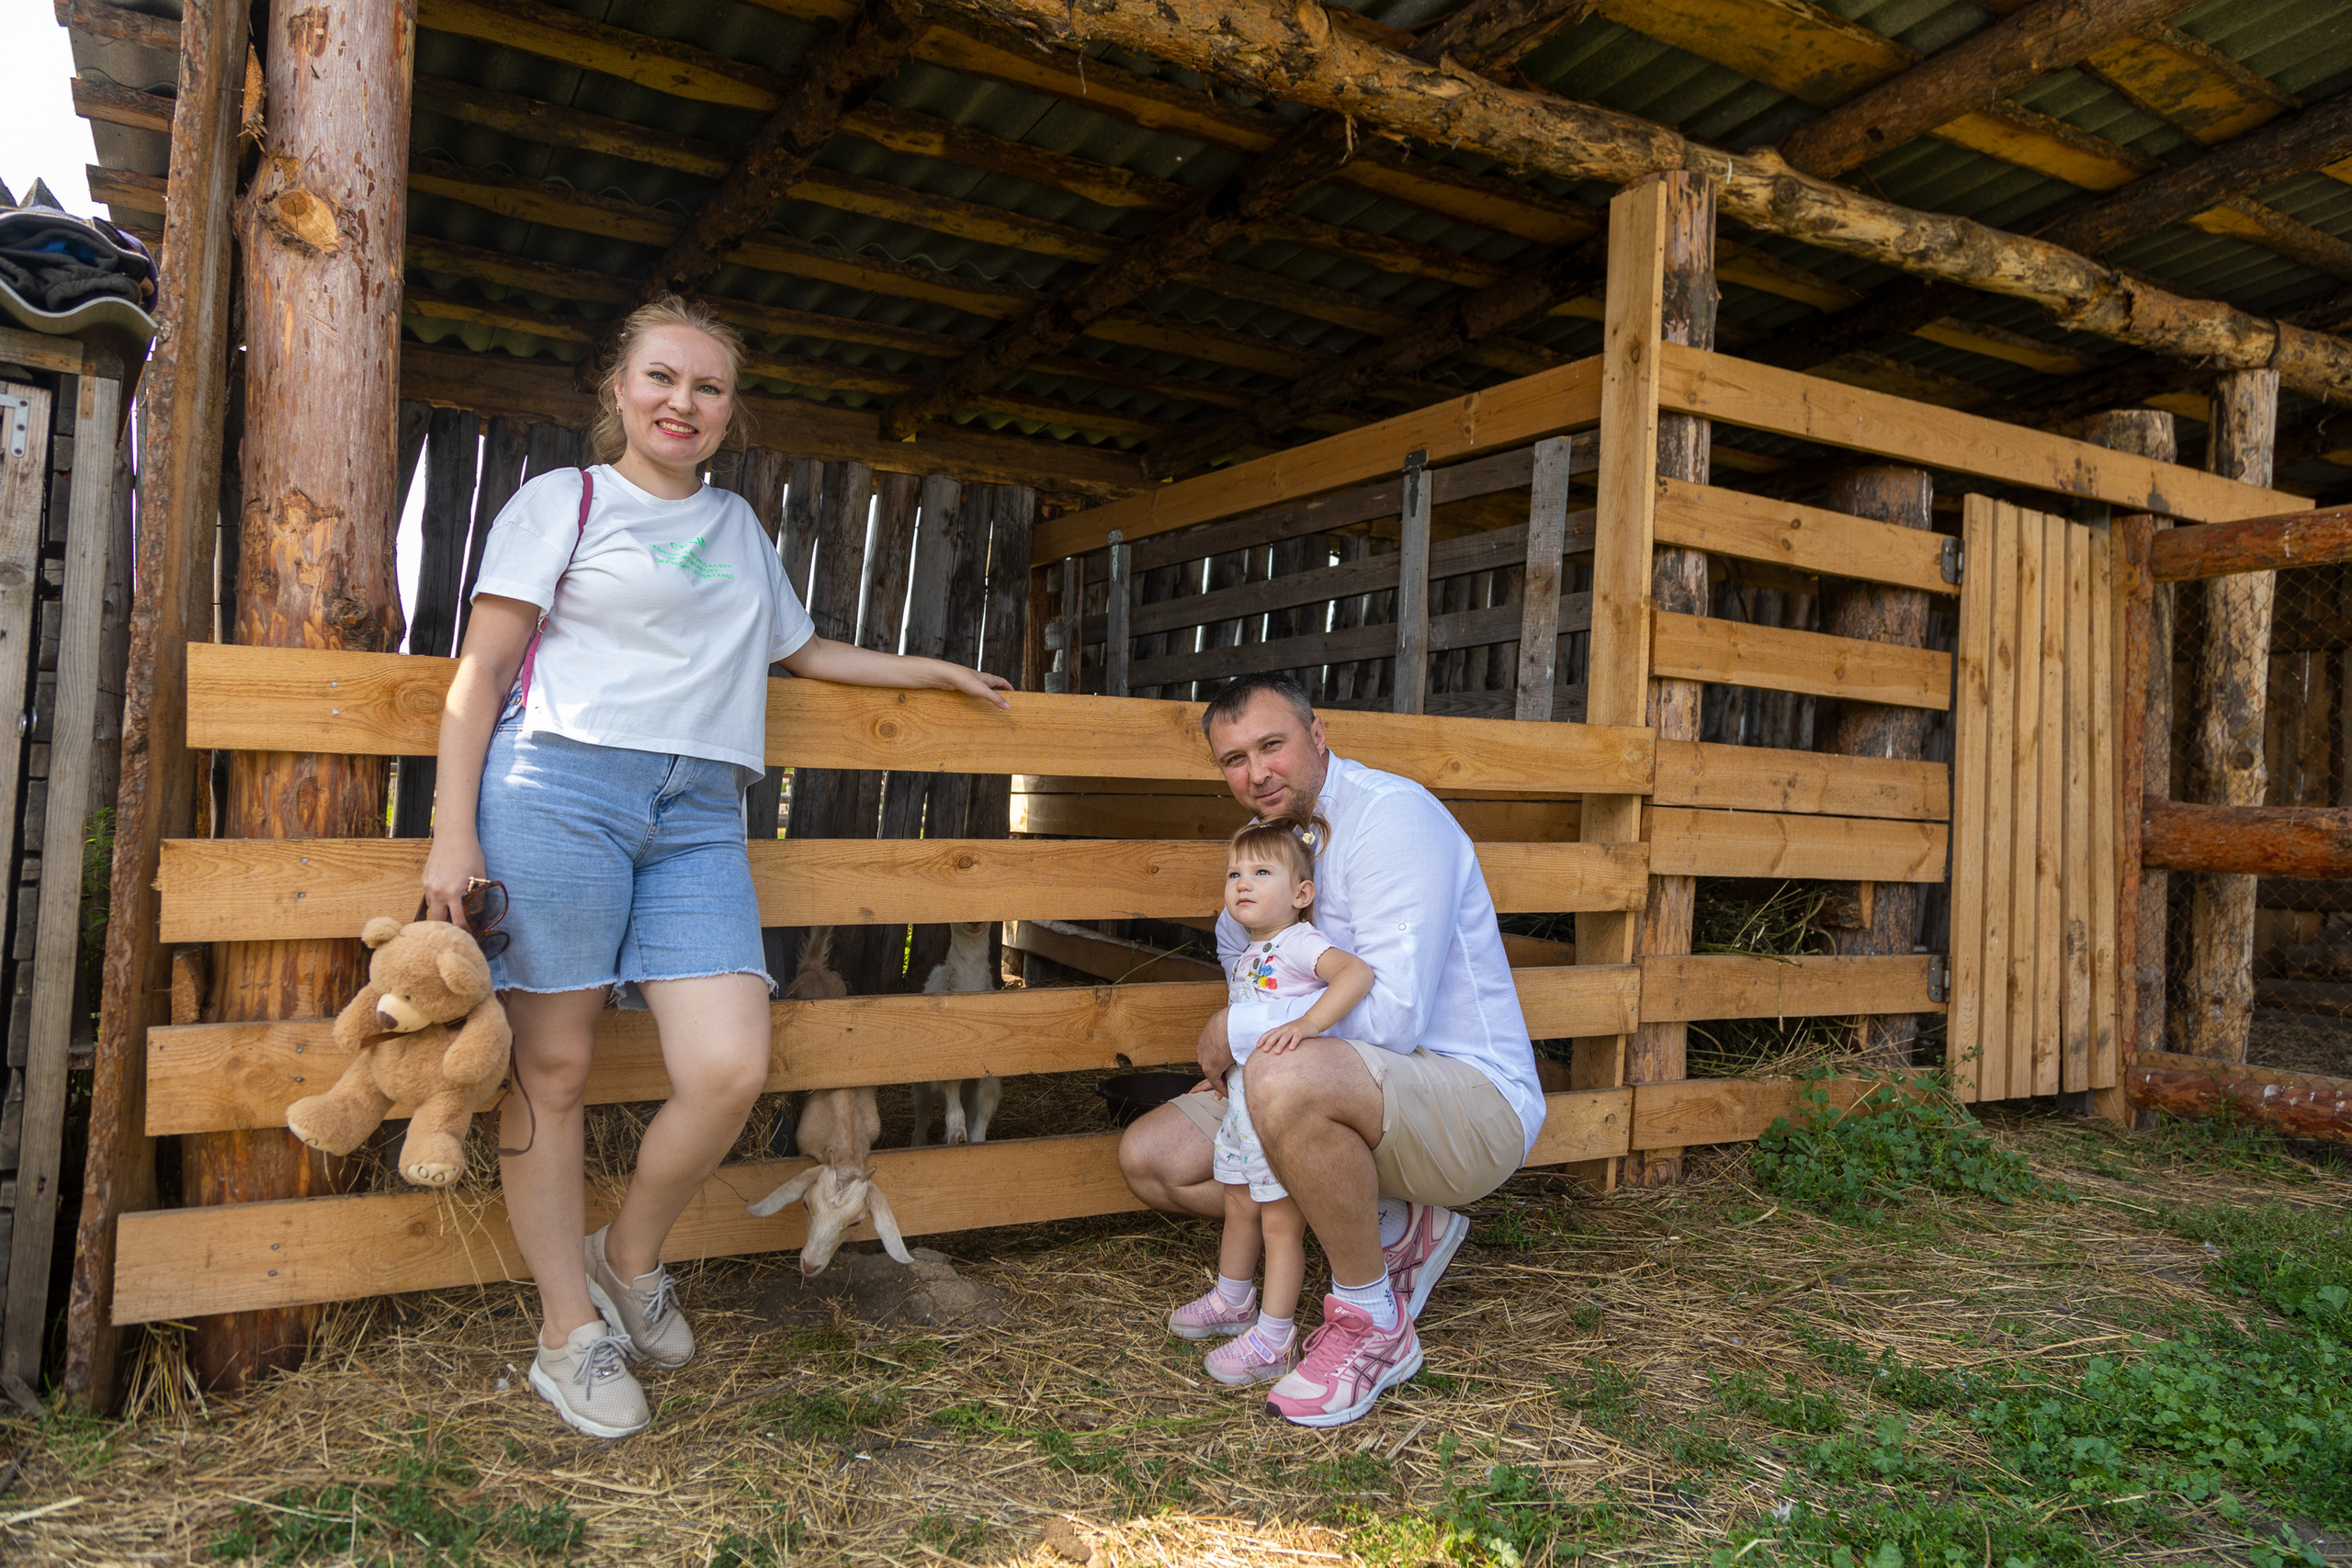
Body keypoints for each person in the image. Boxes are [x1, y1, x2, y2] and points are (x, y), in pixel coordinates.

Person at [419, 296, 1010, 1439]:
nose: (681, 402)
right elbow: (479, 675)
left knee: (730, 1067)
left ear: (730, 410)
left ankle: (627, 1255)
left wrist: (931, 671)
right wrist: (455, 833)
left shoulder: (738, 524)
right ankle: (566, 1334)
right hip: (560, 789)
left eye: (707, 387)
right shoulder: (564, 502)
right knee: (552, 1073)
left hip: (698, 809)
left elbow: (802, 649)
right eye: (660, 379)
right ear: (619, 390)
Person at [1118, 672, 1547, 1427]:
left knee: (1282, 1080)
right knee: (1152, 1158)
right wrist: (1246, 1056)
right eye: (1234, 759)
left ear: (1317, 736)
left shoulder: (1394, 819)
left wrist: (1241, 1034)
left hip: (1470, 1102)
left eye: (1272, 744)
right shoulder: (1260, 866)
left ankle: (1370, 1321)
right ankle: (1392, 1226)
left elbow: (1394, 1020)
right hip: (1328, 1082)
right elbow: (1258, 991)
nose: (1257, 772)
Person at [1166, 810, 1374, 1388]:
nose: (1244, 885)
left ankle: (1274, 1337)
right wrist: (1226, 1076)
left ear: (1302, 893)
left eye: (1262, 873)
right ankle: (1233, 1300)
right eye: (1235, 874)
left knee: (1281, 1224)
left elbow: (1355, 975)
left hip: (1280, 1108)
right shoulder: (1249, 950)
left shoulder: (1299, 941)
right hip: (1243, 1102)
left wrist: (1310, 1023)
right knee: (1239, 1202)